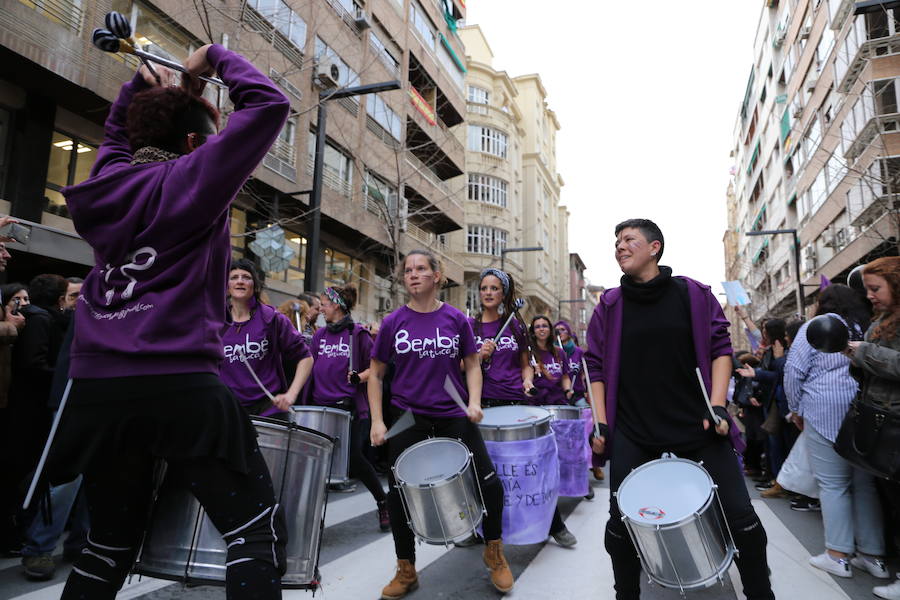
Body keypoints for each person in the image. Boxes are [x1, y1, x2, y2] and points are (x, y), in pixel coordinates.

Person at [45, 44, 292, 599]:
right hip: (177, 380)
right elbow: (269, 105)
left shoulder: (106, 182)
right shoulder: (193, 177)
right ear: (193, 144)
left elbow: (117, 136)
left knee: (107, 545)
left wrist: (143, 85)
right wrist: (213, 56)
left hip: (97, 390)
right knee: (254, 534)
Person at [586, 218, 773, 600]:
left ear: (654, 247)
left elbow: (720, 350)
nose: (619, 246)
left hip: (697, 424)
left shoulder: (692, 294)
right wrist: (602, 424)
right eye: (616, 241)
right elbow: (595, 367)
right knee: (620, 525)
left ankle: (760, 593)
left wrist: (717, 407)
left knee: (742, 518)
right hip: (634, 429)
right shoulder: (610, 305)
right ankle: (626, 595)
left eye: (629, 240)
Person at [368, 250, 514, 599]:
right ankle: (406, 568)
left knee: (490, 484)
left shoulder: (455, 319)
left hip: (452, 414)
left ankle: (494, 552)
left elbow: (473, 364)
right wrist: (377, 421)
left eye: (421, 269)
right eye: (408, 270)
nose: (413, 274)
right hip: (408, 417)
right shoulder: (393, 322)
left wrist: (474, 401)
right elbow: (375, 374)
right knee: (398, 494)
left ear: (436, 276)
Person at [784, 283, 886, 580]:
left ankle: (837, 555)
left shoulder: (815, 326)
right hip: (862, 408)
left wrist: (796, 409)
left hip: (822, 409)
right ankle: (873, 556)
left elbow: (794, 371)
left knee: (833, 484)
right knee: (864, 485)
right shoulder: (865, 326)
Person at [308, 283, 389, 529]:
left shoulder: (358, 334)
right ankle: (315, 517)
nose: (321, 309)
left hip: (349, 408)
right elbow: (309, 365)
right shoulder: (319, 336)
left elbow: (375, 369)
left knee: (353, 459)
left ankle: (383, 502)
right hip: (320, 407)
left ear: (337, 306)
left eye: (324, 304)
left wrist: (359, 377)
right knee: (318, 462)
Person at [845, 257, 900, 599]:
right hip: (881, 420)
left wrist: (864, 351)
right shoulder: (881, 320)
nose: (870, 296)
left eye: (876, 288)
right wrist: (856, 358)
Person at [220, 258, 312, 418]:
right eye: (234, 277)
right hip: (228, 410)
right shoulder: (216, 321)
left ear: (255, 285)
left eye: (246, 277)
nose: (240, 281)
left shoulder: (272, 318)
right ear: (227, 287)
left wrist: (291, 394)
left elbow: (306, 358)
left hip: (268, 410)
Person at [470, 268, 530, 408]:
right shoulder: (468, 325)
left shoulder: (515, 326)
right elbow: (457, 364)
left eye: (494, 288)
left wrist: (527, 380)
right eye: (484, 288)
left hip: (515, 400)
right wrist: (480, 356)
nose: (488, 292)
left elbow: (526, 365)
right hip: (483, 401)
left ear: (503, 295)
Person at [525, 315, 574, 405]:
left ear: (550, 330)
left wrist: (568, 390)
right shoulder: (528, 353)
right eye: (537, 327)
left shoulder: (560, 352)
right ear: (533, 332)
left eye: (545, 326)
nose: (541, 329)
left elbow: (565, 377)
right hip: (537, 402)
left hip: (558, 400)